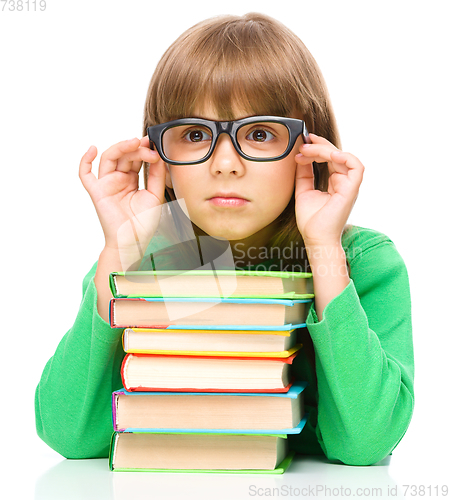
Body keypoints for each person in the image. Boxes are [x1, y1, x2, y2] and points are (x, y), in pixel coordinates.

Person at [35, 12, 414, 466]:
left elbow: (368, 442)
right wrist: (119, 252)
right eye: (195, 135)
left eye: (259, 134)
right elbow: (69, 435)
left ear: (309, 149)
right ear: (160, 157)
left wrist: (325, 253)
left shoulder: (364, 262)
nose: (226, 165)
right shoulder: (143, 260)